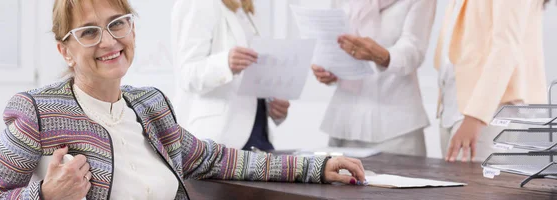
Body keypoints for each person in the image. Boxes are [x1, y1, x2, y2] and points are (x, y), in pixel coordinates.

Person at [0, 0, 368, 199]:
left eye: (117, 24)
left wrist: (316, 167)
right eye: (88, 32)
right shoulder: (40, 112)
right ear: (64, 51)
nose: (108, 41)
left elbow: (218, 158)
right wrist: (45, 196)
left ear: (133, 31)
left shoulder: (150, 106)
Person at [312, 0, 436, 156]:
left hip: (396, 129)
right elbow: (335, 43)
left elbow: (414, 49)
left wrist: (383, 56)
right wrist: (328, 69)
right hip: (344, 123)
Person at [435, 0, 548, 162]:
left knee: (474, 185)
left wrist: (476, 117)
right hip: (454, 105)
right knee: (454, 183)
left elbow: (506, 47)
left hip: (486, 112)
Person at [171, 0, 290, 151]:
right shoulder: (197, 3)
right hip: (220, 139)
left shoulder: (247, 9)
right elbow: (186, 74)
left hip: (259, 136)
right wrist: (225, 63)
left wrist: (273, 105)